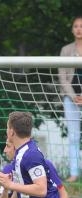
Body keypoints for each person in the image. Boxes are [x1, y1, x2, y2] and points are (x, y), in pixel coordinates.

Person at [59, 16, 82, 183]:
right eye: (76, 26)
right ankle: (74, 173)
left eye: (81, 26)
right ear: (72, 29)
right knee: (73, 136)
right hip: (71, 98)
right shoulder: (66, 50)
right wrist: (75, 97)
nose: (79, 29)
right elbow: (62, 77)